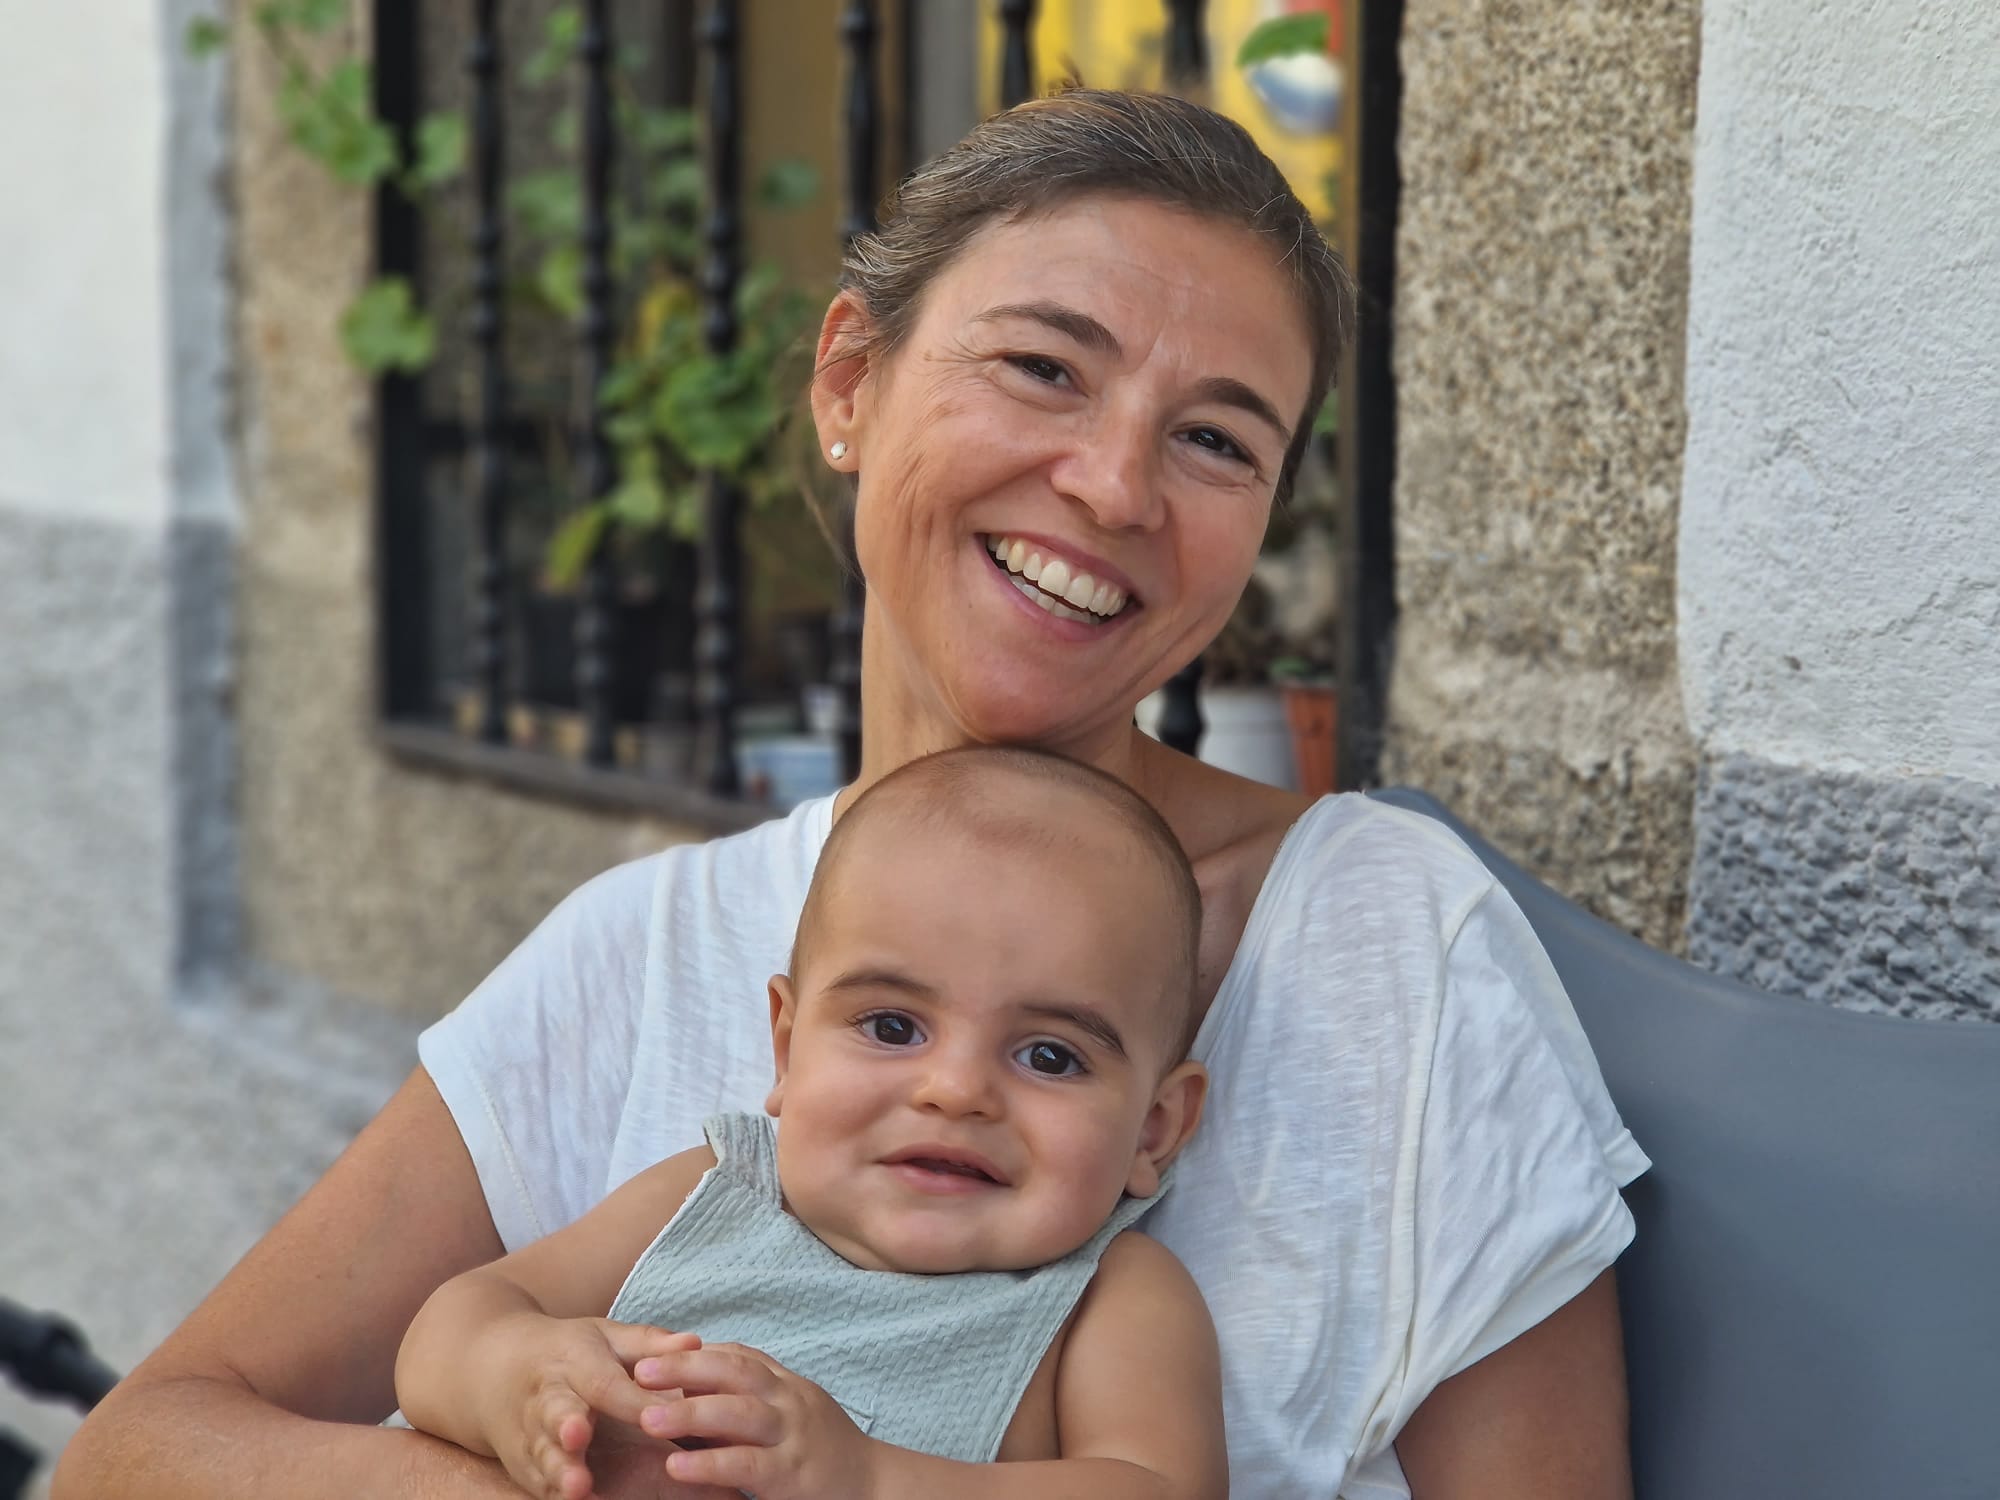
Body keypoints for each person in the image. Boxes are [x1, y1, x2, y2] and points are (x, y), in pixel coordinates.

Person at [56, 88, 1648, 1500]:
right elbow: (137, 1458)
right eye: (1042, 366)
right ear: (848, 385)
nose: (1112, 485)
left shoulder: (1387, 949)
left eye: (1218, 441)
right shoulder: (650, 948)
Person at [394, 745, 1222, 1500]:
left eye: (1049, 1056)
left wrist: (868, 1478)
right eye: (893, 1027)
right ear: (787, 1053)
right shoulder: (717, 1190)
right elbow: (455, 1322)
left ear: (1153, 1130)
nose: (955, 1090)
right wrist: (511, 1374)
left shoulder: (1106, 1294)